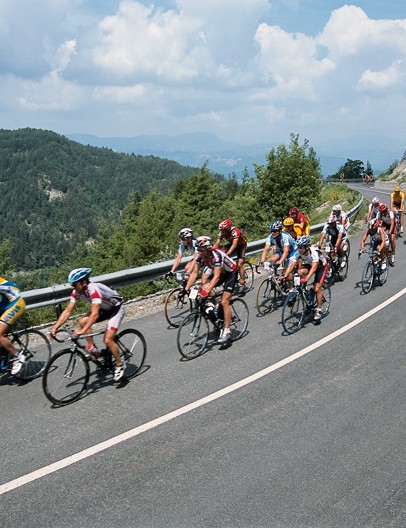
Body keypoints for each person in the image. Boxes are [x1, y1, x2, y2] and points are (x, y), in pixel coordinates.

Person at [50, 268, 127, 382]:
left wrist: (82, 331)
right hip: (104, 309)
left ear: (84, 283)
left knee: (108, 340)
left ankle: (120, 364)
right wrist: (55, 327)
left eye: (75, 285)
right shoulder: (77, 291)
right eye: (72, 285)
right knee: (82, 321)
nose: (73, 288)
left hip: (116, 308)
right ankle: (93, 348)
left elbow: (95, 315)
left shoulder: (93, 290)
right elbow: (67, 311)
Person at [185, 236, 237, 344]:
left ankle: (227, 331)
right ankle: (216, 307)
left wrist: (207, 290)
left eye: (201, 250)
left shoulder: (217, 255)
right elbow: (194, 273)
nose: (199, 252)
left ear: (208, 249)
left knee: (225, 301)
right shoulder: (200, 256)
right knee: (204, 286)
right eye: (198, 249)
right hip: (220, 273)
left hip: (230, 273)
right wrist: (186, 289)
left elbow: (216, 277)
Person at [294, 235, 328, 323]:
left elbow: (314, 268)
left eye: (301, 247)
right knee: (300, 272)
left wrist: (307, 279)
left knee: (317, 288)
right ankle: (305, 291)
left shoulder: (314, 252)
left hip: (321, 267)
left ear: (306, 247)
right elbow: (292, 264)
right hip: (311, 264)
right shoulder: (299, 253)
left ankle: (318, 311)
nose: (299, 249)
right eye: (298, 247)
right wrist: (285, 276)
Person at [0, 277, 27, 375]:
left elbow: (13, 286)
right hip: (4, 305)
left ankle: (17, 356)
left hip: (16, 304)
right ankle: (4, 356)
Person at [213, 219, 248, 291]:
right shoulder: (221, 233)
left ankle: (242, 283)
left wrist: (227, 254)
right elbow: (216, 244)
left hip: (241, 245)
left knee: (239, 264)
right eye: (221, 230)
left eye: (223, 230)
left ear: (228, 229)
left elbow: (234, 245)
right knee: (222, 251)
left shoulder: (235, 232)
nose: (222, 232)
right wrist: (212, 253)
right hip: (231, 244)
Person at [261, 221, 298, 285]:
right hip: (281, 249)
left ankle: (291, 289)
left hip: (292, 251)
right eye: (272, 231)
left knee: (287, 271)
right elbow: (265, 249)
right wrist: (262, 261)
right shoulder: (270, 236)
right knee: (272, 260)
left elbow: (286, 252)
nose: (273, 233)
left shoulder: (285, 236)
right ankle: (275, 278)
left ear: (280, 231)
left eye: (275, 231)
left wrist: (279, 263)